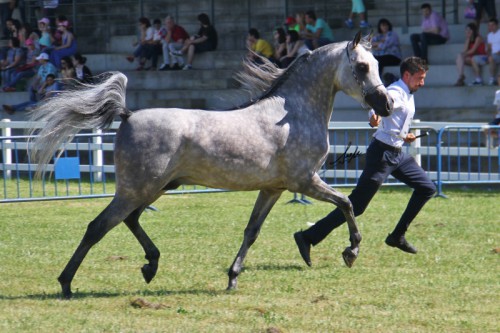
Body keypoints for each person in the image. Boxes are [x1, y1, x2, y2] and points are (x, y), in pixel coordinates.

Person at [293, 57, 436, 266]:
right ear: (407, 75)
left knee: (427, 188)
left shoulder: (407, 92)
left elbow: (393, 119)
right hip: (382, 155)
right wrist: (373, 116)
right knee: (356, 205)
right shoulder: (396, 92)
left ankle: (397, 236)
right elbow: (378, 104)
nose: (422, 82)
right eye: (419, 78)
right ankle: (308, 237)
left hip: (397, 154)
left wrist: (404, 135)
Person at [470, 18, 500, 86]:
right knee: (474, 59)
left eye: (493, 25)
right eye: (489, 25)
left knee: (491, 58)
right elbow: (489, 48)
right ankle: (478, 80)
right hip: (491, 56)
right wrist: (488, 54)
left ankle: (492, 79)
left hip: (498, 55)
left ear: (497, 25)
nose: (491, 27)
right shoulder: (489, 35)